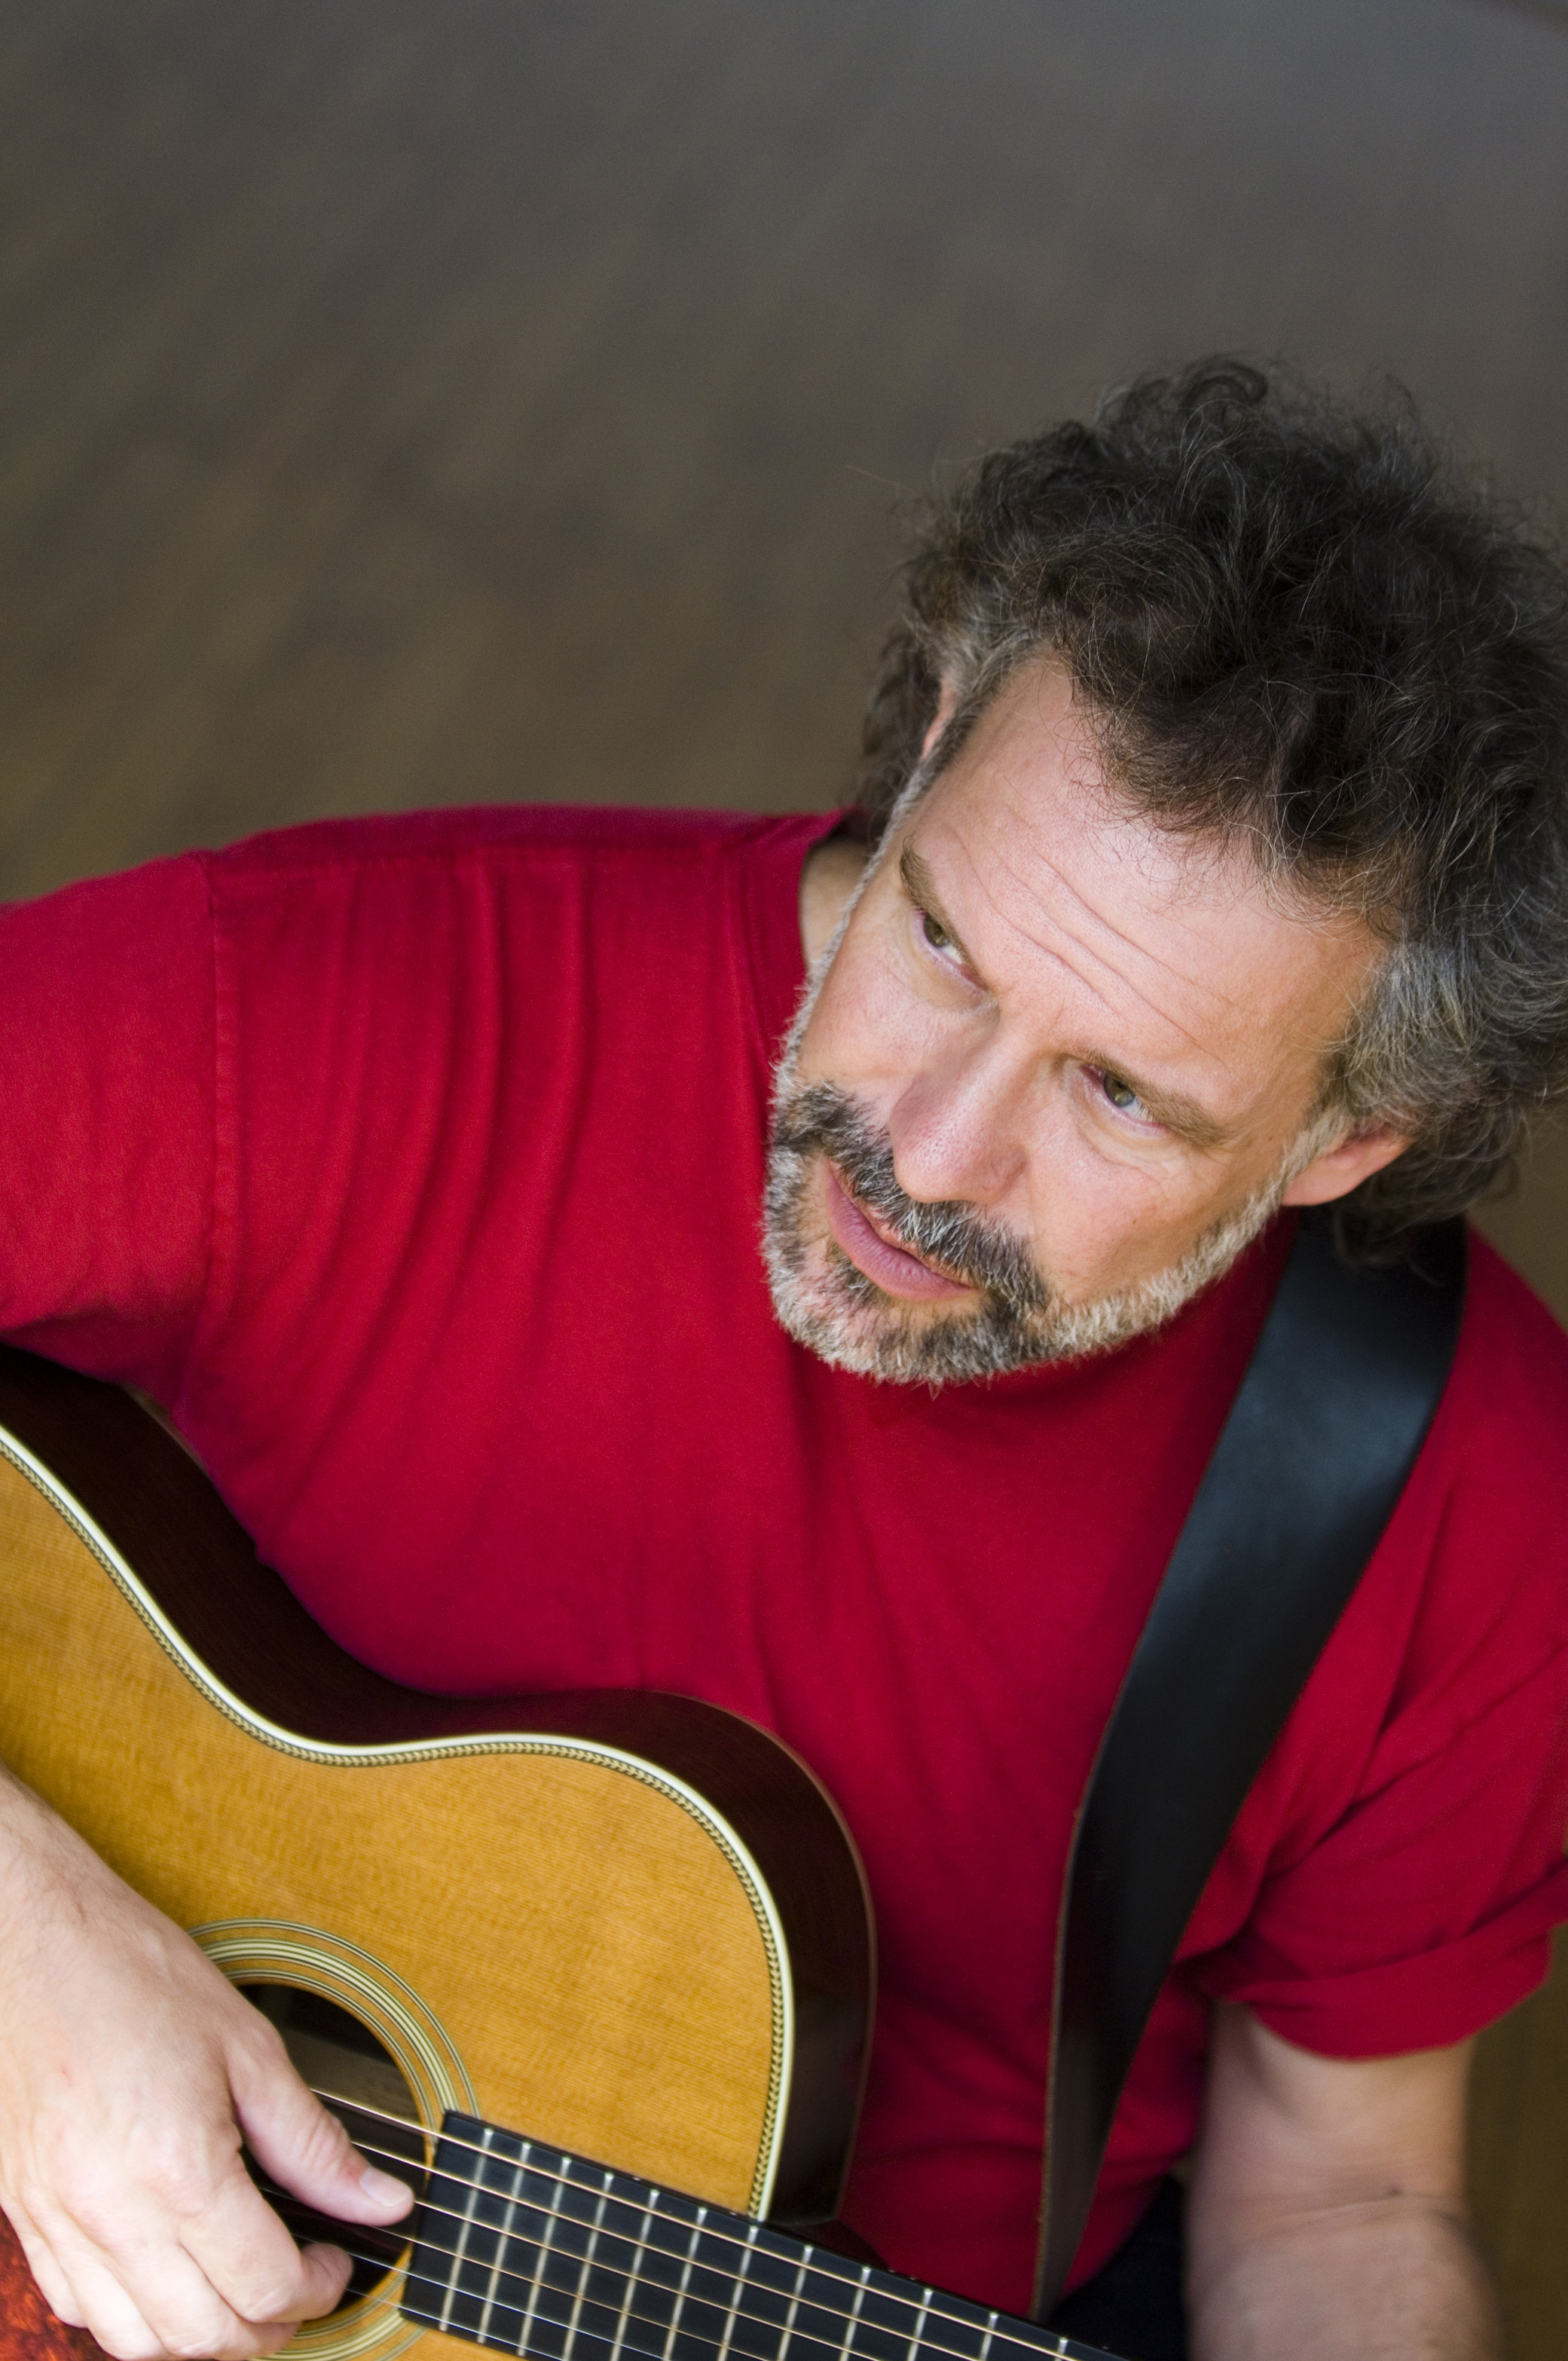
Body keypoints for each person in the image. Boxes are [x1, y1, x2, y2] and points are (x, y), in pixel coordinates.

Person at [2, 359, 1567, 2361]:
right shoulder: (328, 1014)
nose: (921, 1153)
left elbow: (1342, 2187)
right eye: (940, 945)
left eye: (1111, 1096)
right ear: (925, 757)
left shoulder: (1460, 1502)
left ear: (1339, 1147)